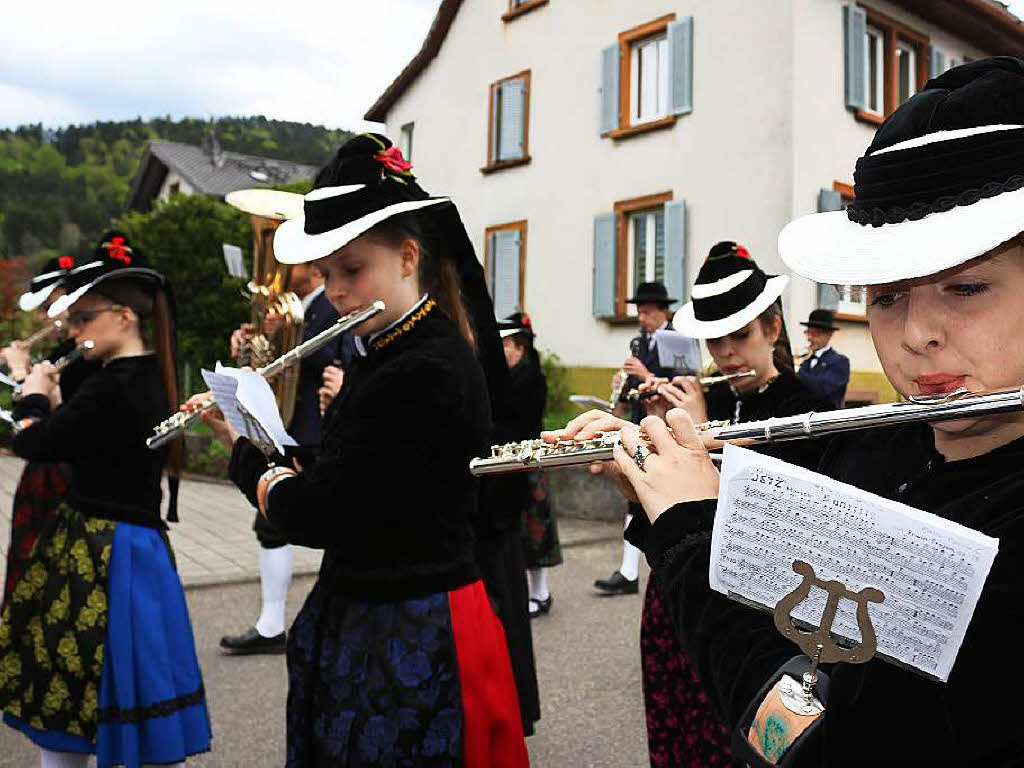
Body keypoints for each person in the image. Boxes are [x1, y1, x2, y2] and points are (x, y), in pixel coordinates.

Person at [555, 57, 1024, 766]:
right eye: (887, 295)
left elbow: (805, 739)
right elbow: (788, 631)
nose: (915, 333)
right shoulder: (873, 453)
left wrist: (689, 528)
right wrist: (669, 494)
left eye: (964, 288)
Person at [206, 133, 528, 766]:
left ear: (408, 257)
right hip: (383, 609)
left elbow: (322, 514)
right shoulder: (391, 350)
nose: (337, 292)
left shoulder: (423, 363)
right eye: (327, 275)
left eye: (352, 270)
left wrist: (249, 458)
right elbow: (367, 470)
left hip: (413, 623)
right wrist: (264, 440)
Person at [0, 232, 211, 768]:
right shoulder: (139, 374)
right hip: (132, 550)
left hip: (102, 552)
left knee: (72, 701)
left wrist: (31, 395)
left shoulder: (114, 383)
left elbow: (34, 441)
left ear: (122, 317)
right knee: (125, 696)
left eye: (82, 317)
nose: (71, 330)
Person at [632, 241, 829, 767]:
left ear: (772, 328)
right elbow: (653, 517)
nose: (726, 356)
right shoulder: (708, 399)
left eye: (740, 336)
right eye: (714, 342)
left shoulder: (805, 408)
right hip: (677, 594)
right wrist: (638, 463)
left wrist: (698, 439)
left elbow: (791, 521)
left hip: (756, 608)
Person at [220, 257, 354, 655]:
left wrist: (286, 338)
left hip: (313, 427)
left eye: (286, 262)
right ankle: (271, 622)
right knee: (272, 522)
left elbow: (329, 357)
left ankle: (282, 623)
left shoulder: (329, 305)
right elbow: (268, 366)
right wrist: (253, 344)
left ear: (310, 267)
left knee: (320, 521)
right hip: (291, 425)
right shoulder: (299, 308)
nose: (276, 272)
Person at [1, 255, 101, 605]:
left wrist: (19, 376)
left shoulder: (85, 355)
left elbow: (47, 422)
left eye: (49, 306)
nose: (44, 318)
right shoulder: (68, 351)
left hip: (65, 476)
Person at [596, 281, 678, 596]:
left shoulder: (677, 341)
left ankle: (652, 569)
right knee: (634, 493)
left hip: (667, 428)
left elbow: (683, 384)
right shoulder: (640, 342)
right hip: (639, 422)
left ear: (662, 311)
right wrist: (624, 385)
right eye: (639, 312)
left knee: (658, 498)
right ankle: (628, 572)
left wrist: (645, 375)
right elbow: (634, 388)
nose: (641, 318)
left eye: (646, 312)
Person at [498, 312, 563, 618]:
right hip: (510, 461)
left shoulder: (531, 378)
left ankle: (541, 592)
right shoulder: (502, 376)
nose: (502, 349)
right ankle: (528, 591)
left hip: (528, 460)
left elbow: (519, 420)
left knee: (535, 528)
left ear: (520, 348)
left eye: (507, 343)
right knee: (517, 529)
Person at [797, 308, 850, 408]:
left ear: (829, 335)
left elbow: (823, 388)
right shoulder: (805, 362)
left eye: (815, 334)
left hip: (827, 420)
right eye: (808, 332)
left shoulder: (840, 361)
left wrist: (796, 370)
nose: (809, 338)